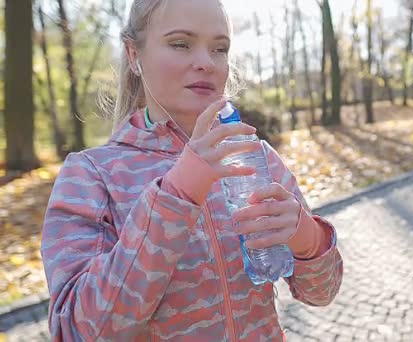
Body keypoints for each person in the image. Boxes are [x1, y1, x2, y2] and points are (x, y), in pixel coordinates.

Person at [40, 0, 343, 340]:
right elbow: (76, 331)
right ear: (133, 54)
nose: (206, 63)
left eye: (220, 48)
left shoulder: (256, 157)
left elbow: (322, 292)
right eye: (181, 43)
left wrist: (308, 238)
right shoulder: (91, 175)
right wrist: (178, 194)